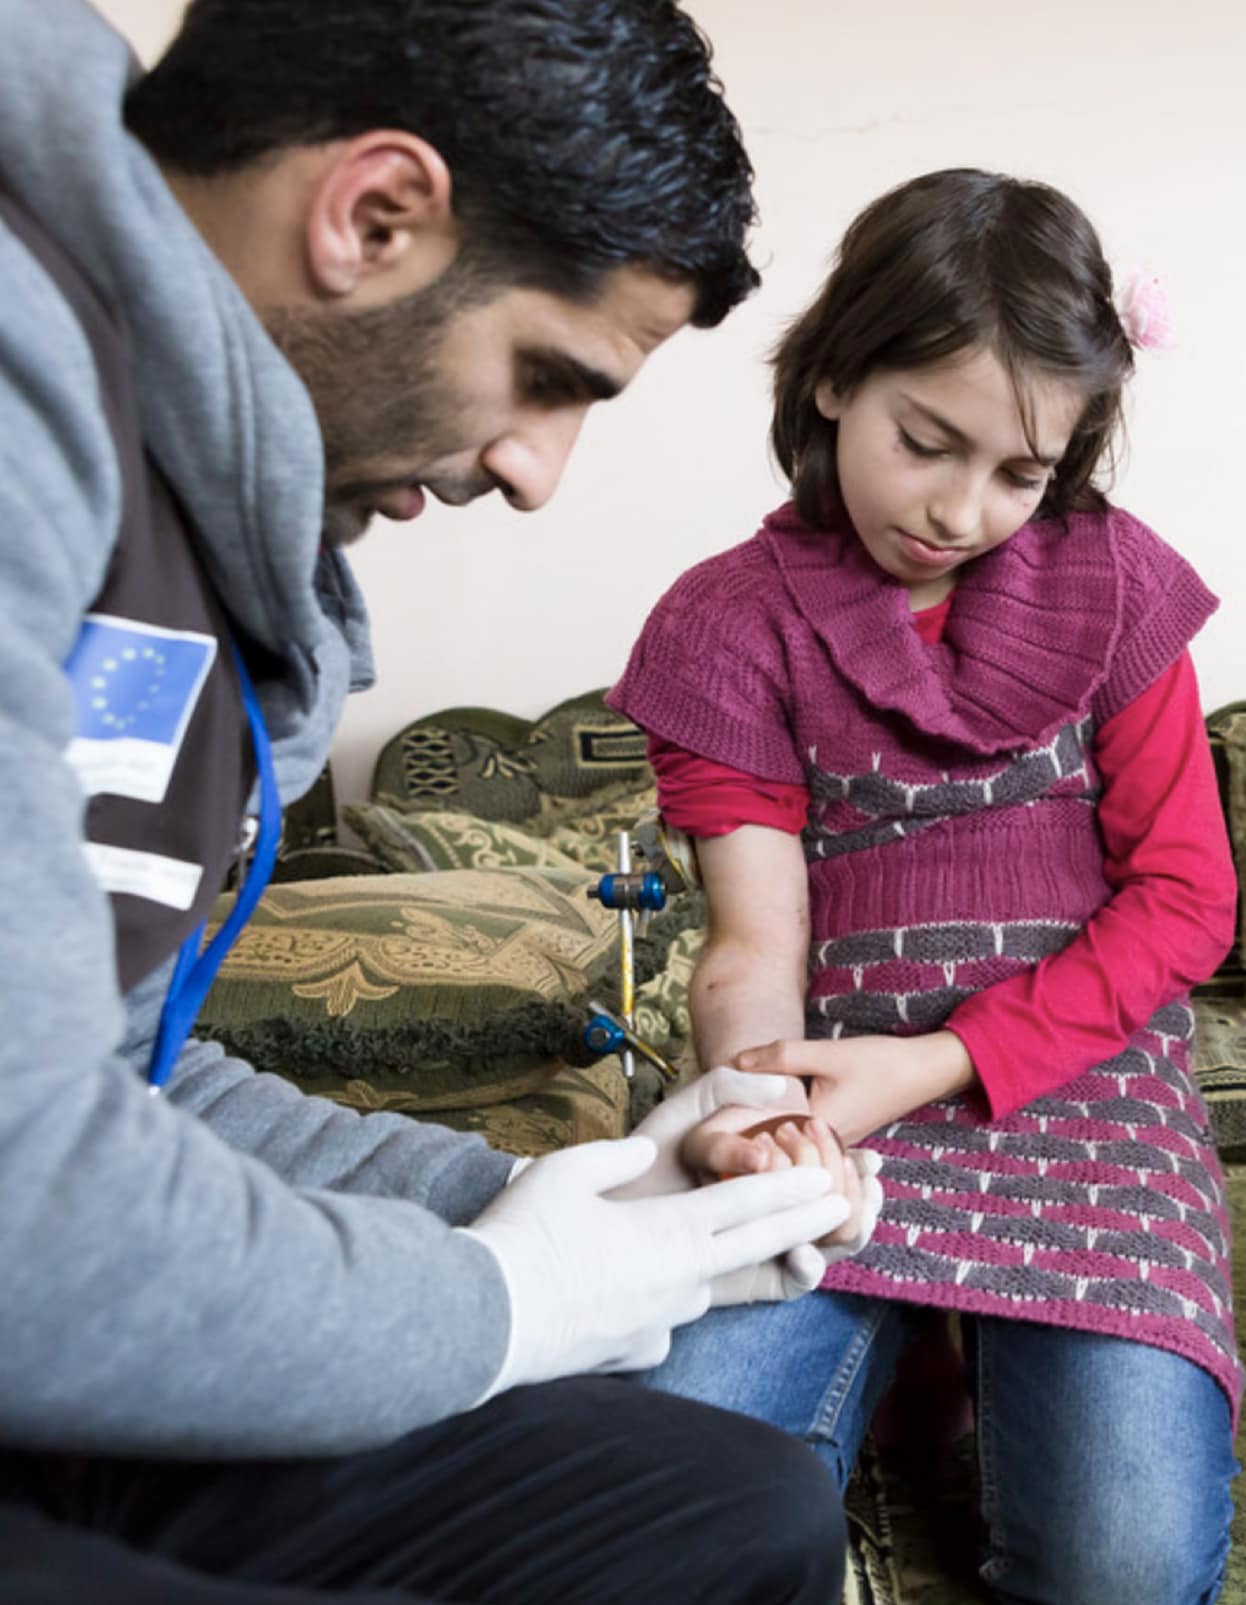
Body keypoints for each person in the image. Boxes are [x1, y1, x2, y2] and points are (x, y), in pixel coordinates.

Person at [0, 4, 875, 1599]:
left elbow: (118, 1081)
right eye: (550, 376)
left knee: (726, 1514)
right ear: (373, 214)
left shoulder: (181, 501)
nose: (539, 471)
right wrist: (496, 1301)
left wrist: (553, 1202)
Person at [608, 167, 1243, 1603]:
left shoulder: (1122, 587)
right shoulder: (727, 625)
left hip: (1087, 1100)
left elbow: (1186, 901)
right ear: (834, 379)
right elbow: (752, 942)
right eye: (927, 441)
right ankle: (912, 1370)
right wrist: (762, 1117)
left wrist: (948, 1058)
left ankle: (948, 1370)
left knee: (1121, 1570)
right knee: (652, 1497)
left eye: (1019, 475)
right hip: (840, 1119)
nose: (960, 509)